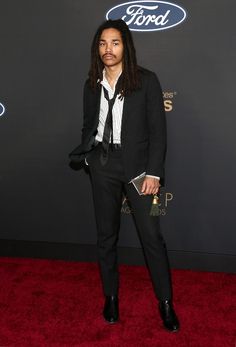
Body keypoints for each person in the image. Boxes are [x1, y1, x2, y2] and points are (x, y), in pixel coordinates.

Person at [69, 19, 179, 332]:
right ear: (97, 48)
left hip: (140, 171)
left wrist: (154, 173)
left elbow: (159, 133)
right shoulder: (92, 83)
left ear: (125, 46)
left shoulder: (146, 81)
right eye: (103, 43)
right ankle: (111, 297)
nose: (108, 49)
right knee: (106, 237)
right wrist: (91, 159)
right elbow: (87, 123)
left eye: (115, 43)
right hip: (103, 165)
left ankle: (166, 303)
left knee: (152, 238)